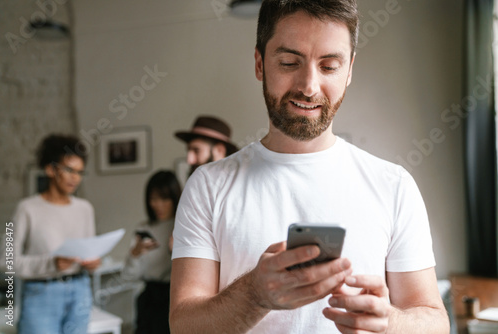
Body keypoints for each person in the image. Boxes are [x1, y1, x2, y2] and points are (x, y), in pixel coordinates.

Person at [169, 1, 450, 333]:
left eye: (329, 66)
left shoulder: (394, 186)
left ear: (349, 71)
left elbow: (434, 321)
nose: (309, 86)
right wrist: (255, 295)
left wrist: (391, 324)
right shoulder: (208, 185)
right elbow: (183, 325)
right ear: (260, 63)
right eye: (289, 62)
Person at [0, 134, 100, 334]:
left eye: (80, 172)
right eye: (69, 170)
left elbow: (90, 251)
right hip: (40, 295)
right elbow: (5, 260)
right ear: (50, 169)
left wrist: (93, 263)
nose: (75, 178)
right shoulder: (26, 209)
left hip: (80, 292)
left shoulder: (85, 209)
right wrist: (50, 263)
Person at [122, 170, 182, 334]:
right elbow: (128, 276)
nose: (158, 205)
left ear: (175, 198)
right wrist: (135, 254)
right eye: (153, 199)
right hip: (148, 299)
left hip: (174, 298)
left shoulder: (182, 226)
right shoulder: (144, 229)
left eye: (164, 198)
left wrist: (175, 250)